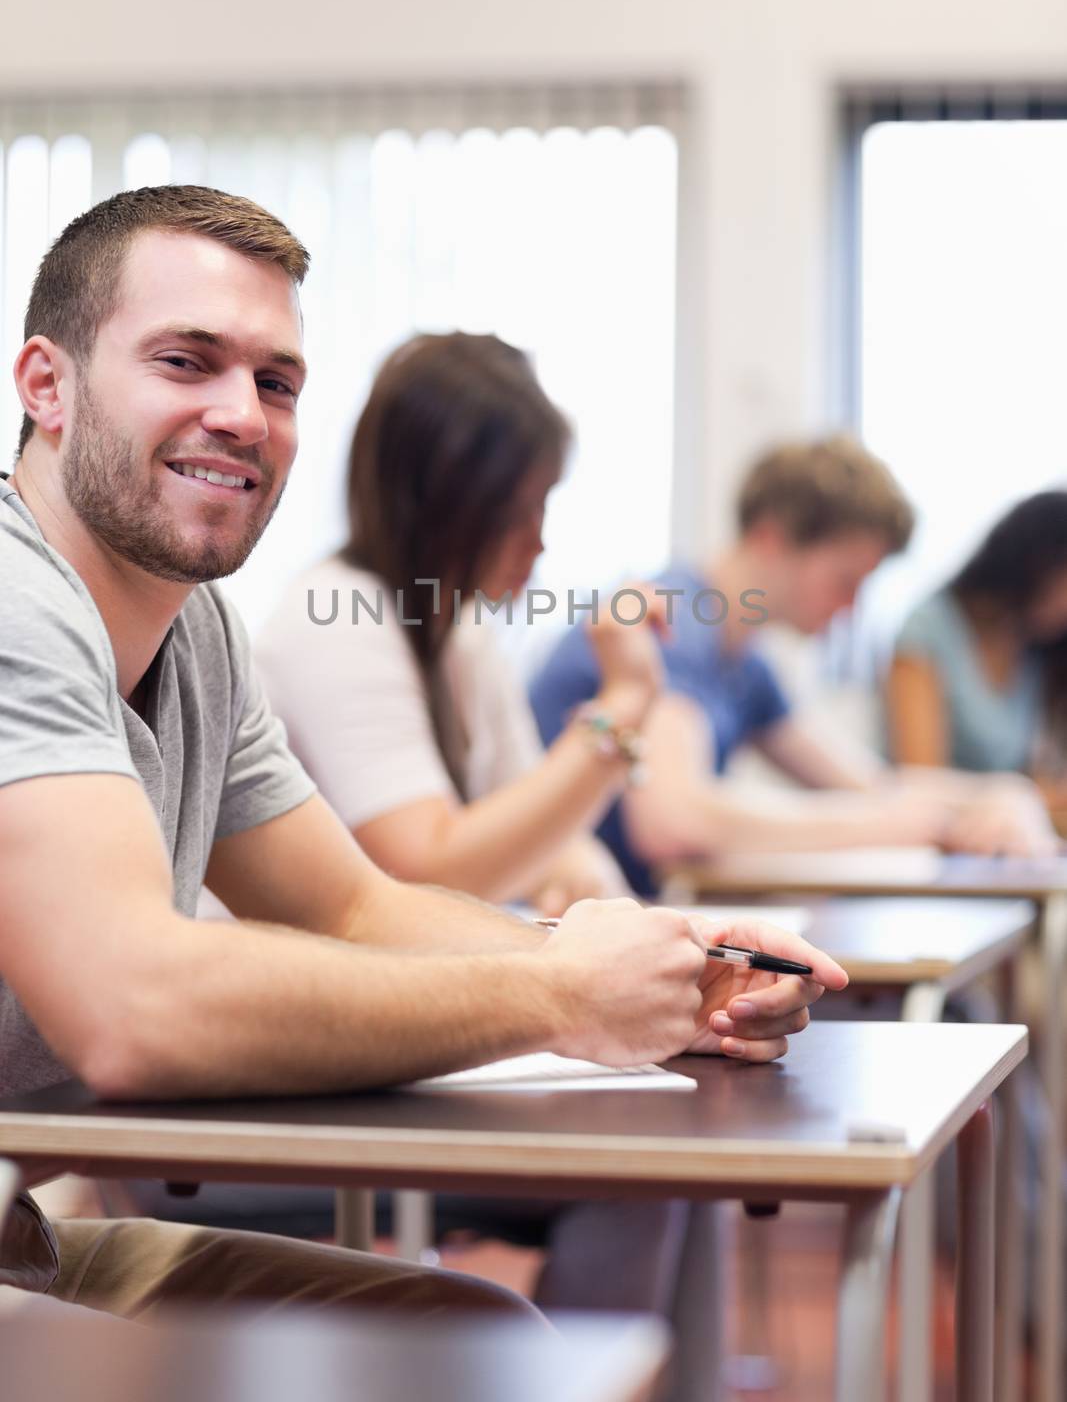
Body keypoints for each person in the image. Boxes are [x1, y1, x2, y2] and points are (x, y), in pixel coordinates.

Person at [0, 185, 846, 1324]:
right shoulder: (24, 598)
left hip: (31, 1234)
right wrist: (556, 987)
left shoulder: (203, 633)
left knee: (478, 1333)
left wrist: (661, 971)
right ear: (44, 386)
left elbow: (355, 905)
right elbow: (131, 1005)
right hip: (85, 1189)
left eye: (275, 381)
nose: (243, 413)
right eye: (186, 361)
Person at [531, 436, 1057, 897]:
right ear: (771, 538)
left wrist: (1001, 795)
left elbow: (869, 785)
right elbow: (675, 821)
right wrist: (890, 824)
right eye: (845, 581)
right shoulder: (673, 623)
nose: (850, 608)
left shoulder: (745, 663)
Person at [257, 331, 652, 918]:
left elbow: (542, 835)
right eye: (518, 513)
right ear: (443, 507)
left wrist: (574, 864)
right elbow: (428, 872)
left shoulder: (459, 628)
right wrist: (626, 698)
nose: (539, 542)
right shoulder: (338, 614)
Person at [886, 490, 1067, 833]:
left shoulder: (1036, 649)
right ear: (1034, 562)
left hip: (1005, 835)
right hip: (931, 839)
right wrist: (1032, 796)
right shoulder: (928, 629)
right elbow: (920, 780)